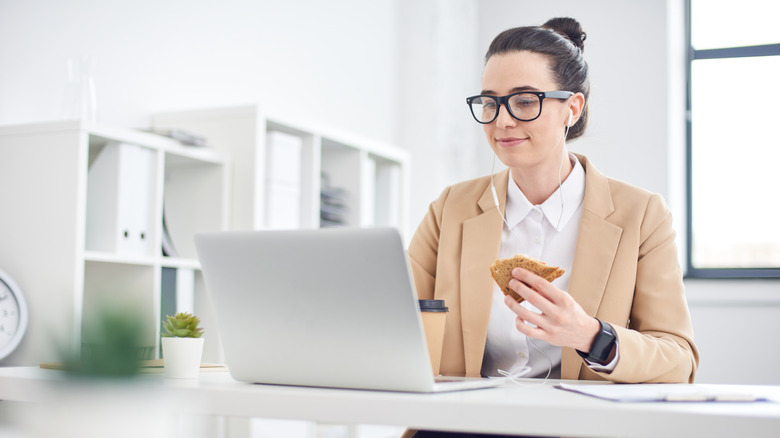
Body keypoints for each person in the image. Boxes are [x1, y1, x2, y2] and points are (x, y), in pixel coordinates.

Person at [402, 15, 698, 438]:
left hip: (578, 429)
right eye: (490, 102)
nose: (501, 121)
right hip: (462, 425)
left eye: (524, 101)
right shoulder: (452, 208)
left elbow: (679, 359)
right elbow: (398, 323)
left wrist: (590, 334)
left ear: (571, 109)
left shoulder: (641, 214)